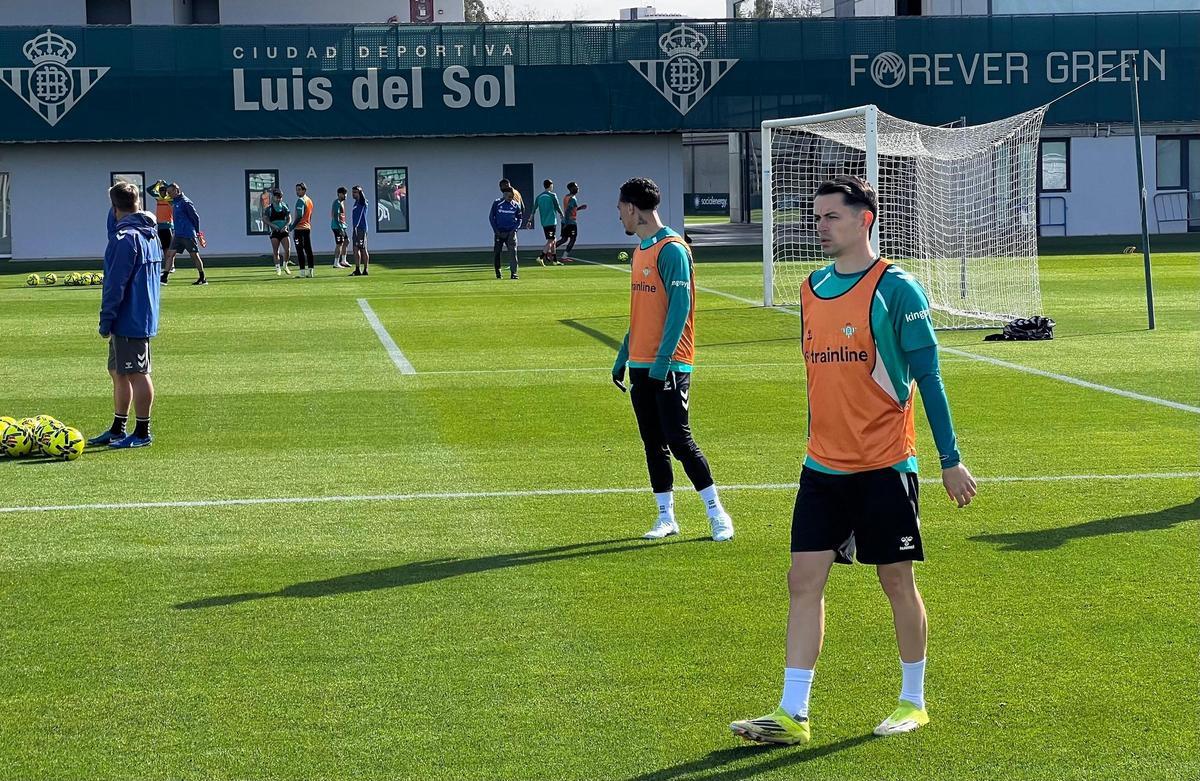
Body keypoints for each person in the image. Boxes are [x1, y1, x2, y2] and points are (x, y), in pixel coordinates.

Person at [729, 175, 978, 746]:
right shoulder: (810, 287)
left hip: (885, 464)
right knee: (803, 579)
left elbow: (930, 379)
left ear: (864, 218)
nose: (819, 226)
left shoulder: (897, 289)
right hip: (822, 466)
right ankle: (793, 713)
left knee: (895, 580)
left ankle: (913, 701)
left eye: (830, 216)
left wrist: (950, 459)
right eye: (815, 217)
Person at [610, 177, 734, 543]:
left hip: (670, 364)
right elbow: (641, 313)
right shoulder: (640, 251)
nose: (619, 216)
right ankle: (666, 516)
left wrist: (663, 360)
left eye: (620, 209)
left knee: (679, 439)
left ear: (632, 208)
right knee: (652, 441)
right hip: (641, 363)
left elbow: (681, 308)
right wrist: (623, 356)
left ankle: (716, 513)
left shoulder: (672, 249)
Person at [89, 181, 161, 449]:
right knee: (117, 371)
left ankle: (142, 432)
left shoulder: (126, 239)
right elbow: (114, 224)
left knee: (136, 373)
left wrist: (106, 319)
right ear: (138, 203)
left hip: (131, 316)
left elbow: (114, 285)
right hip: (136, 314)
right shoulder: (147, 233)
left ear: (114, 207)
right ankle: (118, 428)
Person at [161, 182, 206, 286]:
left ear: (177, 191)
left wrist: (198, 233)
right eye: (168, 192)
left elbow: (196, 218)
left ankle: (202, 278)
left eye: (170, 192)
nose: (169, 194)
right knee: (170, 255)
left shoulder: (186, 202)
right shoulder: (175, 202)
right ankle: (164, 278)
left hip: (188, 233)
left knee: (194, 256)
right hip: (178, 234)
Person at [489, 185, 523, 280]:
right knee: (497, 253)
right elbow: (492, 217)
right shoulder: (497, 203)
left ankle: (514, 273)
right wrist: (496, 230)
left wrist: (515, 229)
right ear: (504, 194)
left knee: (513, 253)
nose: (511, 198)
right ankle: (498, 272)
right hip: (499, 232)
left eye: (512, 196)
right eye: (509, 196)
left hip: (511, 233)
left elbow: (520, 219)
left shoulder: (516, 205)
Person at [533, 179, 565, 266]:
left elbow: (534, 209)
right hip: (551, 221)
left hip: (544, 222)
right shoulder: (552, 195)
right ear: (550, 185)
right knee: (551, 240)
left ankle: (554, 260)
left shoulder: (539, 197)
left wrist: (529, 219)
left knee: (554, 240)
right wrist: (562, 215)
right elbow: (557, 206)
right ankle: (541, 257)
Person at [555, 181, 587, 261]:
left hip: (565, 221)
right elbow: (568, 211)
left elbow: (570, 209)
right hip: (570, 222)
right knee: (573, 239)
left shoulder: (567, 197)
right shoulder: (572, 199)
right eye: (576, 187)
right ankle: (564, 257)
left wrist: (579, 208)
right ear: (571, 188)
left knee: (564, 239)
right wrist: (566, 222)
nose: (577, 188)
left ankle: (548, 251)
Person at [265, 189, 292, 276]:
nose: (278, 199)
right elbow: (265, 219)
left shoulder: (284, 206)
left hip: (283, 231)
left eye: (280, 197)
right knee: (276, 251)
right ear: (273, 197)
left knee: (287, 250)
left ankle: (285, 265)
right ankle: (277, 268)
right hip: (275, 232)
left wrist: (285, 226)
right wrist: (272, 226)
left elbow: (289, 218)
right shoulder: (269, 208)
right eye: (277, 197)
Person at [292, 182, 315, 277]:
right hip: (307, 227)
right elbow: (310, 216)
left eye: (299, 189)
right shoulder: (309, 200)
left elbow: (300, 215)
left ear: (304, 190)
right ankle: (310, 271)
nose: (297, 192)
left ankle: (302, 272)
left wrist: (292, 226)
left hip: (299, 229)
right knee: (308, 249)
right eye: (296, 189)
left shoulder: (301, 201)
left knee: (300, 250)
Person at [146, 179, 173, 255]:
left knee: (170, 247)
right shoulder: (158, 199)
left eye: (164, 190)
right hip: (160, 226)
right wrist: (156, 184)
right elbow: (148, 190)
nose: (162, 192)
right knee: (164, 246)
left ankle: (172, 264)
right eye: (161, 191)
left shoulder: (170, 199)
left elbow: (173, 191)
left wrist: (165, 184)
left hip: (168, 225)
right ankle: (168, 262)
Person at [350, 185, 370, 276]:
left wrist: (357, 226)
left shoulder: (362, 202)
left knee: (363, 248)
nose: (353, 194)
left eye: (355, 192)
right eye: (352, 192)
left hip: (361, 228)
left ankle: (365, 269)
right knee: (355, 248)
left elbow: (364, 201)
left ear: (359, 193)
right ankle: (357, 269)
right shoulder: (356, 203)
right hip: (356, 229)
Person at [331, 187, 352, 269]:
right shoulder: (337, 203)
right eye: (344, 194)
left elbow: (341, 216)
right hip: (337, 227)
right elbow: (335, 216)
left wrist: (344, 225)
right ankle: (336, 263)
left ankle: (343, 260)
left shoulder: (341, 202)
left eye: (346, 194)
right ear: (339, 194)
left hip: (342, 226)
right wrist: (340, 228)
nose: (346, 196)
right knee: (339, 244)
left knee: (346, 241)